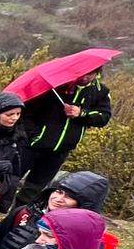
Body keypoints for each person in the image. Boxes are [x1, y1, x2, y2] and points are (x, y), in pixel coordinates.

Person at [16, 69, 112, 204]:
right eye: (82, 72)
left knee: (34, 188)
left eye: (89, 74)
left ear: (97, 73)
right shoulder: (57, 86)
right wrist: (34, 135)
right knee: (11, 179)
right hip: (32, 145)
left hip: (60, 150)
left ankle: (19, 218)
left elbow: (104, 117)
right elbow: (27, 111)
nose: (84, 76)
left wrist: (81, 113)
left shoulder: (101, 92)